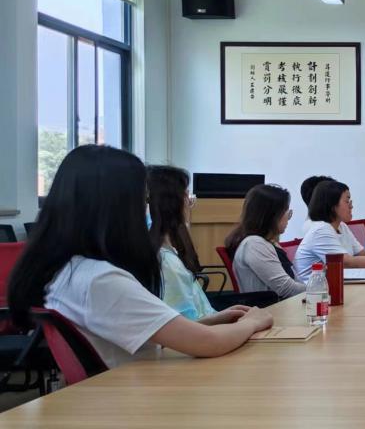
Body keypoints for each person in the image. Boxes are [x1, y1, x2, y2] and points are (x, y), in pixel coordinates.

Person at [6, 145, 272, 369]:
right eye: (142, 199)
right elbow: (208, 344)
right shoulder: (102, 280)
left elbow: (150, 331)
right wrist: (252, 323)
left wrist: (211, 321)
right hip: (140, 394)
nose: (145, 209)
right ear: (117, 206)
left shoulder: (68, 270)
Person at [146, 165, 216, 321]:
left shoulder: (166, 252)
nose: (189, 203)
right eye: (186, 195)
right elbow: (187, 325)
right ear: (173, 204)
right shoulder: (167, 262)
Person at [225, 184, 306, 299]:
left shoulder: (269, 243)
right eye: (286, 211)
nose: (288, 217)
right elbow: (286, 289)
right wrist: (318, 289)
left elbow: (294, 280)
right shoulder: (254, 244)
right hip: (271, 308)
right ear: (271, 215)